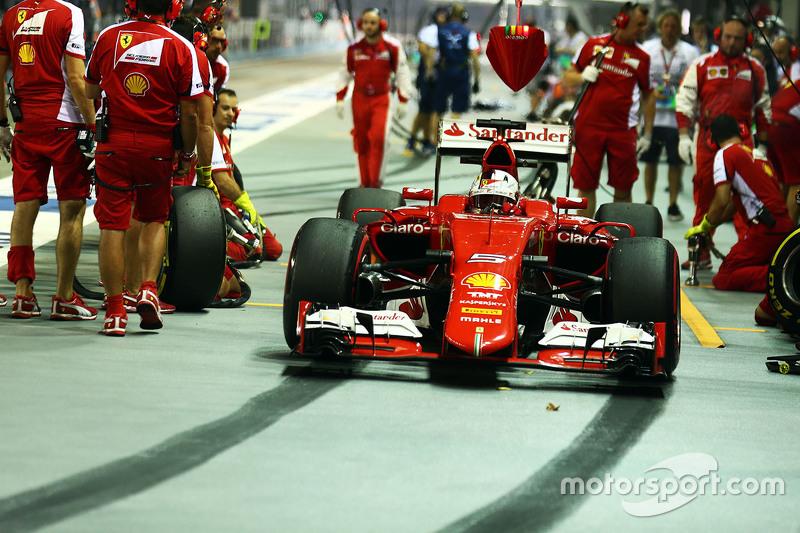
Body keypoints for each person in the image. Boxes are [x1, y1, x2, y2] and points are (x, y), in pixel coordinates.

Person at [85, 0, 205, 336]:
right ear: (172, 7)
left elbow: (91, 88)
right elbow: (192, 113)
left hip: (113, 146)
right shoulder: (182, 47)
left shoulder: (109, 37)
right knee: (154, 219)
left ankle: (113, 313)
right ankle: (148, 289)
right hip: (157, 149)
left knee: (112, 226)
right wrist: (188, 151)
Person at [0, 0, 98, 320]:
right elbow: (74, 76)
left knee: (24, 205)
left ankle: (22, 295)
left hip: (26, 126)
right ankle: (64, 297)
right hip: (65, 125)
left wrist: (3, 125)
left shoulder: (11, 16)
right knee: (72, 210)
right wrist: (94, 126)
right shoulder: (70, 13)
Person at [675, 16, 771, 270]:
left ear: (747, 40)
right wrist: (684, 137)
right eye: (727, 36)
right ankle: (701, 253)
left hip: (744, 145)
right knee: (705, 196)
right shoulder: (701, 64)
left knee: (746, 200)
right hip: (708, 142)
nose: (731, 42)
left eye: (738, 38)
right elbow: (684, 102)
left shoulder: (756, 70)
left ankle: (748, 255)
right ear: (719, 36)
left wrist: (763, 146)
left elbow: (764, 109)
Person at [684, 113, 792, 325]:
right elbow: (734, 203)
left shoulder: (725, 154)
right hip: (782, 227)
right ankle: (781, 268)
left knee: (724, 277)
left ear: (712, 138)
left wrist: (704, 224)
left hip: (764, 230)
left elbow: (722, 199)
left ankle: (780, 277)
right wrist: (710, 224)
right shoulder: (756, 153)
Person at [562, 1, 655, 217]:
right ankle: (583, 239)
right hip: (588, 128)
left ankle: (619, 239)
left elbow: (648, 94)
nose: (643, 30)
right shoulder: (593, 46)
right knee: (585, 188)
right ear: (623, 20)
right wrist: (582, 76)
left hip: (622, 131)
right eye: (639, 24)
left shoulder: (643, 58)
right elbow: (568, 78)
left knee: (623, 189)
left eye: (645, 25)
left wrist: (648, 133)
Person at [336, 8, 412, 188]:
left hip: (381, 100)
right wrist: (340, 96)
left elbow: (402, 72)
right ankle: (364, 183)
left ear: (381, 25)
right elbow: (345, 73)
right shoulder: (354, 49)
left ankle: (375, 184)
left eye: (373, 22)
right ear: (361, 24)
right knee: (361, 141)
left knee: (379, 140)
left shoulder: (392, 47)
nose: (369, 26)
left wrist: (403, 98)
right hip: (359, 99)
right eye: (366, 23)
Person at [209, 88, 282, 266]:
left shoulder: (224, 140)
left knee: (273, 249)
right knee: (252, 251)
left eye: (234, 110)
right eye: (225, 108)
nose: (230, 114)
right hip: (216, 208)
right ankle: (209, 244)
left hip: (232, 206)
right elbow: (223, 181)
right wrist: (245, 203)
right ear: (213, 108)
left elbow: (231, 177)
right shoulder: (208, 138)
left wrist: (247, 209)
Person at [639, 8, 699, 220]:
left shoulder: (689, 52)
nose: (670, 30)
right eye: (667, 26)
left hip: (677, 117)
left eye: (674, 26)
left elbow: (693, 81)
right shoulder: (647, 48)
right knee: (650, 161)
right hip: (653, 116)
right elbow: (641, 78)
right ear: (660, 27)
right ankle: (648, 202)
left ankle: (673, 204)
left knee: (676, 162)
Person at [405, 6, 448, 156]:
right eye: (440, 14)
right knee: (425, 109)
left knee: (437, 110)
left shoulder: (449, 31)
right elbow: (424, 50)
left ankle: (428, 140)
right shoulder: (429, 31)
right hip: (429, 73)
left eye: (445, 14)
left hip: (442, 73)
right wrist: (429, 71)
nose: (442, 16)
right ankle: (417, 139)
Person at [428, 3, 480, 125]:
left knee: (438, 110)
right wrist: (477, 80)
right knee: (457, 110)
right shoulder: (469, 34)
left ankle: (433, 141)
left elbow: (431, 54)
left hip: (443, 72)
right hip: (461, 74)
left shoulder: (439, 31)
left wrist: (430, 74)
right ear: (464, 17)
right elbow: (475, 59)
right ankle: (451, 138)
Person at [768, 59, 800, 223]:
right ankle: (788, 234)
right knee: (797, 181)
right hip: (785, 127)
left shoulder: (795, 82)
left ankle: (777, 224)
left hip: (770, 124)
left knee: (783, 179)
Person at [207, 25, 229, 92]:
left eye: (222, 42)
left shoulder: (223, 67)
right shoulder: (191, 61)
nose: (219, 46)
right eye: (214, 40)